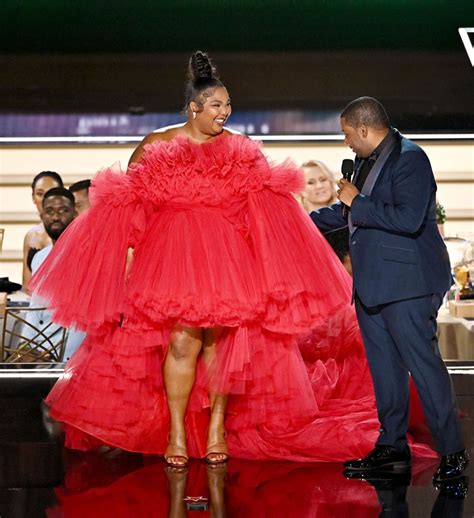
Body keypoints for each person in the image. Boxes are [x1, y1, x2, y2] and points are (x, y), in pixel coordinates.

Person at [31, 54, 435, 469]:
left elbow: (266, 209)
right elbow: (126, 204)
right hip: (170, 259)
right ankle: (175, 432)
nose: (226, 112)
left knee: (221, 345)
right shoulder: (157, 144)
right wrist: (126, 256)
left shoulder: (242, 148)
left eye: (228, 105)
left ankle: (216, 429)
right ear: (194, 108)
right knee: (181, 342)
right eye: (217, 105)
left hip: (229, 261)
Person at [310, 96, 468, 482]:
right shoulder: (365, 162)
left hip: (408, 285)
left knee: (425, 368)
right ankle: (391, 446)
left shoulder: (410, 159)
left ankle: (452, 453)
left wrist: (356, 202)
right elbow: (346, 214)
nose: (346, 142)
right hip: (371, 288)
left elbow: (409, 218)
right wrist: (296, 221)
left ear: (364, 128)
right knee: (384, 373)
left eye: (347, 133)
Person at [25, 187, 86, 362]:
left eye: (63, 211)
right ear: (41, 216)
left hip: (70, 359)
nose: (56, 217)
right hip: (40, 357)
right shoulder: (38, 257)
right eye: (50, 211)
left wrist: (49, 353)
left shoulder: (86, 255)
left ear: (74, 215)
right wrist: (26, 348)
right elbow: (35, 309)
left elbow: (77, 320)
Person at [22, 171, 64, 290]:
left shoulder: (72, 233)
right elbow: (27, 285)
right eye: (40, 194)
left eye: (52, 193)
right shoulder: (30, 235)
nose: (46, 199)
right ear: (33, 198)